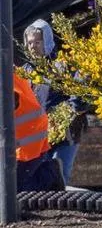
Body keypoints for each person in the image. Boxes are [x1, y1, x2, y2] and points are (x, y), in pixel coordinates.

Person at [23, 19, 88, 185]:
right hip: (37, 134)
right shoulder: (26, 70)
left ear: (48, 40)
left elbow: (80, 89)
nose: (33, 46)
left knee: (61, 172)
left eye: (38, 42)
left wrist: (68, 113)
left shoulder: (63, 64)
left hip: (66, 131)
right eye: (30, 43)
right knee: (41, 176)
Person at [13, 68, 65, 191]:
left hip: (28, 135)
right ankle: (46, 171)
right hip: (24, 133)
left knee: (14, 187)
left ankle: (51, 174)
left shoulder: (5, 78)